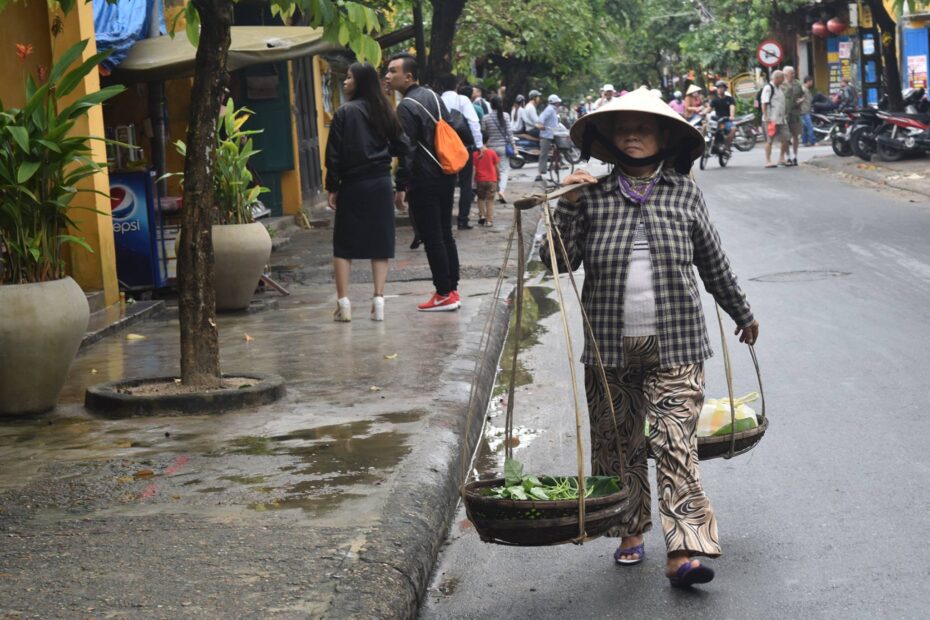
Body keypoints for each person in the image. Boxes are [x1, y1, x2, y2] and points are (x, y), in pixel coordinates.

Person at [539, 87, 759, 589]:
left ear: (664, 136)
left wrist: (741, 311)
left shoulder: (684, 192)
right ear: (610, 140)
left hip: (678, 343)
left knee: (675, 440)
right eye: (622, 128)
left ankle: (683, 550)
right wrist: (567, 205)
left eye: (643, 127)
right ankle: (628, 529)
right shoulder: (589, 194)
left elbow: (712, 261)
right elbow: (556, 261)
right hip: (609, 345)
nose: (632, 134)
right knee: (618, 445)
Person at [325, 62, 410, 322]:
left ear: (360, 82)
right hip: (381, 183)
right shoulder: (385, 111)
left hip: (353, 184)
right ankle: (379, 300)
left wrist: (333, 186)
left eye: (349, 78)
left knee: (343, 245)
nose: (345, 82)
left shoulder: (344, 113)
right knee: (380, 243)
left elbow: (333, 155)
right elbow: (403, 146)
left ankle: (344, 303)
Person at [386, 52, 462, 312]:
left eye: (392, 71)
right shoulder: (433, 96)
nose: (388, 75)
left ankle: (443, 293)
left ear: (408, 76)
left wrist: (401, 186)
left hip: (424, 178)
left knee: (432, 237)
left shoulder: (405, 106)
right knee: (445, 233)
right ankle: (452, 289)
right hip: (446, 172)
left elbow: (406, 151)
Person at [437, 79, 483, 231]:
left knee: (444, 184)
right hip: (463, 147)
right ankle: (463, 220)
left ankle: (444, 220)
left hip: (443, 148)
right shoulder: (462, 99)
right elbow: (474, 122)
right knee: (465, 185)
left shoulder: (436, 100)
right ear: (456, 86)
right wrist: (479, 145)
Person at [481, 94, 515, 204]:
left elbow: (483, 133)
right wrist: (514, 146)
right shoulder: (505, 116)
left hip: (490, 149)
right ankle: (501, 190)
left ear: (491, 105)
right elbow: (509, 133)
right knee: (504, 170)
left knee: (493, 171)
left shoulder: (486, 118)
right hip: (503, 148)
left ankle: (492, 191)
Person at [761, 70, 789, 168]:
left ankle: (782, 158)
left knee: (786, 138)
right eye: (782, 78)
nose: (783, 80)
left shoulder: (779, 89)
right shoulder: (768, 88)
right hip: (771, 119)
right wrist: (766, 116)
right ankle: (768, 160)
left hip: (781, 119)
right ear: (777, 78)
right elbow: (764, 103)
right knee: (769, 140)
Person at [472, 134, 500, 227]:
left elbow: (474, 168)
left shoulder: (475, 154)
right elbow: (496, 167)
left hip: (480, 180)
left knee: (480, 198)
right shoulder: (492, 152)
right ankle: (489, 221)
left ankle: (482, 216)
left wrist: (473, 181)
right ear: (487, 141)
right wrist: (498, 177)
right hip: (492, 180)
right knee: (490, 200)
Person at [535, 94, 562, 184]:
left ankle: (557, 163)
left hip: (552, 134)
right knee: (543, 154)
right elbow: (541, 119)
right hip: (546, 135)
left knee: (558, 149)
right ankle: (539, 174)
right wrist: (541, 125)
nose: (559, 103)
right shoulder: (549, 109)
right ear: (555, 102)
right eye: (558, 102)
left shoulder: (554, 110)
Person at [782, 66, 804, 166]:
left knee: (796, 136)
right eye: (791, 73)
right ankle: (788, 157)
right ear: (785, 74)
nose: (793, 74)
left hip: (795, 113)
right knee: (786, 137)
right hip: (784, 115)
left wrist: (801, 100)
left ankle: (795, 156)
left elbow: (802, 95)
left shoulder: (798, 83)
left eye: (793, 72)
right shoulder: (780, 85)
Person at [707, 80, 736, 150]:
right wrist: (703, 112)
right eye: (718, 88)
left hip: (726, 120)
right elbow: (708, 109)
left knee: (733, 129)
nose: (719, 89)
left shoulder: (730, 99)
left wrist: (731, 116)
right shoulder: (714, 100)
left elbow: (732, 107)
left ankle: (727, 146)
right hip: (718, 121)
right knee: (707, 128)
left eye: (721, 87)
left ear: (725, 89)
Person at [800, 76, 816, 146]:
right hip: (804, 111)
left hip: (805, 111)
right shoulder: (803, 90)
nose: (812, 83)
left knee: (805, 128)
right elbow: (799, 99)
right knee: (809, 126)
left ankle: (805, 141)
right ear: (808, 81)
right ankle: (812, 141)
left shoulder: (806, 89)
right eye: (811, 81)